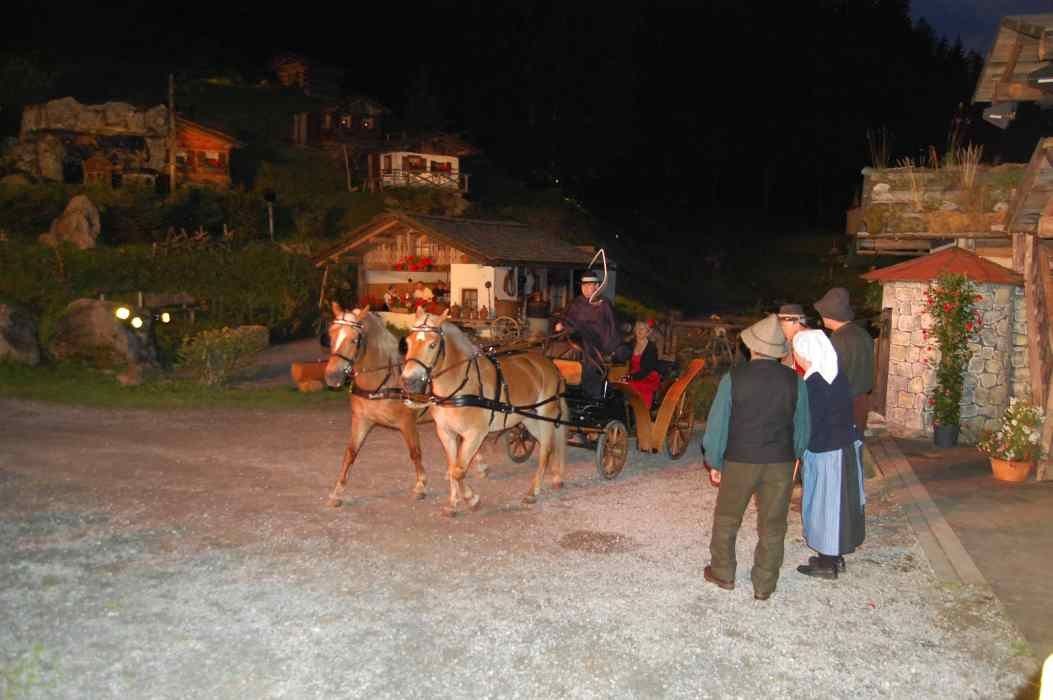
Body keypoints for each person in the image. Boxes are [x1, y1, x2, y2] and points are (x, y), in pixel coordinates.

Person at [701, 314, 810, 601]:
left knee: (727, 518)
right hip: (780, 462)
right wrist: (796, 455)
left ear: (752, 347)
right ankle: (764, 584)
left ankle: (723, 572)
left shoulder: (733, 379)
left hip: (740, 460)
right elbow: (803, 427)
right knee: (773, 524)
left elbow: (718, 425)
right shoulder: (796, 381)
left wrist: (715, 460)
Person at [790, 329, 865, 579]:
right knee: (841, 505)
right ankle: (835, 556)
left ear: (805, 353)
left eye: (796, 351)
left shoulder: (814, 384)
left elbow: (808, 423)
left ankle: (827, 562)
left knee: (826, 506)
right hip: (844, 447)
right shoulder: (835, 375)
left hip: (827, 453)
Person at [814, 287, 874, 439]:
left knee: (843, 445)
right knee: (856, 441)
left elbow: (832, 374)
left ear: (830, 314)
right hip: (862, 400)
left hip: (844, 401)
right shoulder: (862, 333)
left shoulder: (838, 338)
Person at [553, 272, 622, 397]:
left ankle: (591, 395)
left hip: (597, 346)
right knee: (556, 353)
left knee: (589, 364)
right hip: (576, 342)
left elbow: (611, 329)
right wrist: (562, 324)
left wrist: (609, 350)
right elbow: (567, 318)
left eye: (589, 285)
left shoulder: (604, 304)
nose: (585, 288)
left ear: (597, 286)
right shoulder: (577, 302)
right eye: (583, 285)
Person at [622, 320, 661, 408]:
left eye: (642, 329)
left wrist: (629, 377)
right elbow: (621, 357)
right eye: (637, 328)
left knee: (629, 386)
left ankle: (641, 411)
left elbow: (646, 370)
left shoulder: (651, 348)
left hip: (646, 377)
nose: (639, 330)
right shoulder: (631, 344)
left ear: (648, 332)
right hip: (631, 374)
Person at [777, 304, 808, 377]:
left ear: (796, 323)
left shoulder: (809, 342)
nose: (781, 329)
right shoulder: (788, 342)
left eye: (783, 325)